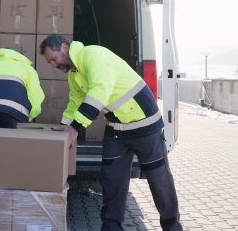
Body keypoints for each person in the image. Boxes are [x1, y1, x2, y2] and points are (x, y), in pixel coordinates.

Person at [39, 34, 182, 231]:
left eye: (53, 59)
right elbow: (75, 103)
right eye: (50, 63)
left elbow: (100, 91)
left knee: (159, 179)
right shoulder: (74, 74)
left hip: (144, 126)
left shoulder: (94, 55)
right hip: (116, 130)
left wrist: (75, 128)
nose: (53, 65)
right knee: (112, 180)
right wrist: (65, 127)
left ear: (64, 47)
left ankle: (172, 227)